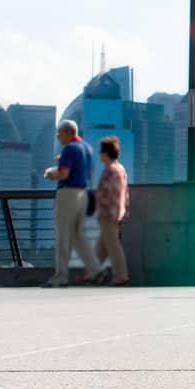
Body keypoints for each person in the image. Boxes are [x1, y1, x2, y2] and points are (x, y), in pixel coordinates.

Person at [42, 120, 99, 288]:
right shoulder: (87, 149)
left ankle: (60, 277)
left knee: (63, 236)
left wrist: (51, 174)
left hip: (68, 194)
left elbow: (64, 174)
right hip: (83, 194)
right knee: (78, 236)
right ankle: (96, 270)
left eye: (59, 133)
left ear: (68, 132)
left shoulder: (69, 149)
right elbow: (89, 173)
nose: (58, 137)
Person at [85, 135, 131, 286]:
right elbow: (125, 193)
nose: (99, 155)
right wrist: (125, 210)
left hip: (108, 213)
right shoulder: (121, 169)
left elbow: (104, 193)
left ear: (105, 154)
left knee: (112, 245)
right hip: (117, 212)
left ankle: (121, 277)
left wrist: (97, 208)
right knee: (103, 245)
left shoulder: (109, 170)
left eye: (100, 152)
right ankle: (94, 273)